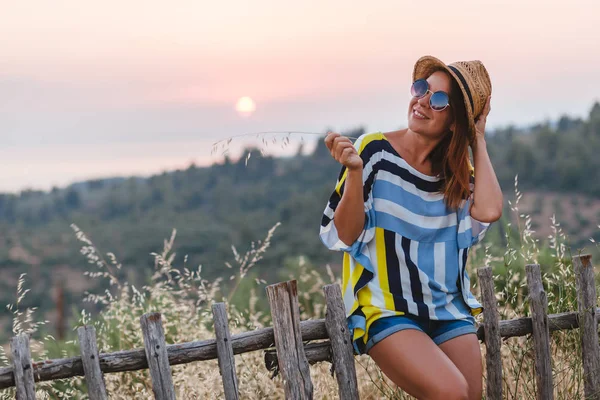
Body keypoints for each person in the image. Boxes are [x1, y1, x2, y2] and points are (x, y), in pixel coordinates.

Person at [319, 55, 503, 400]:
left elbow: (490, 209)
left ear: (455, 122)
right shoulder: (372, 151)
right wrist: (355, 173)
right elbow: (345, 235)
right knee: (453, 394)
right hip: (388, 310)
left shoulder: (458, 175)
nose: (421, 101)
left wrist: (477, 138)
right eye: (421, 88)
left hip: (447, 309)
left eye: (438, 100)